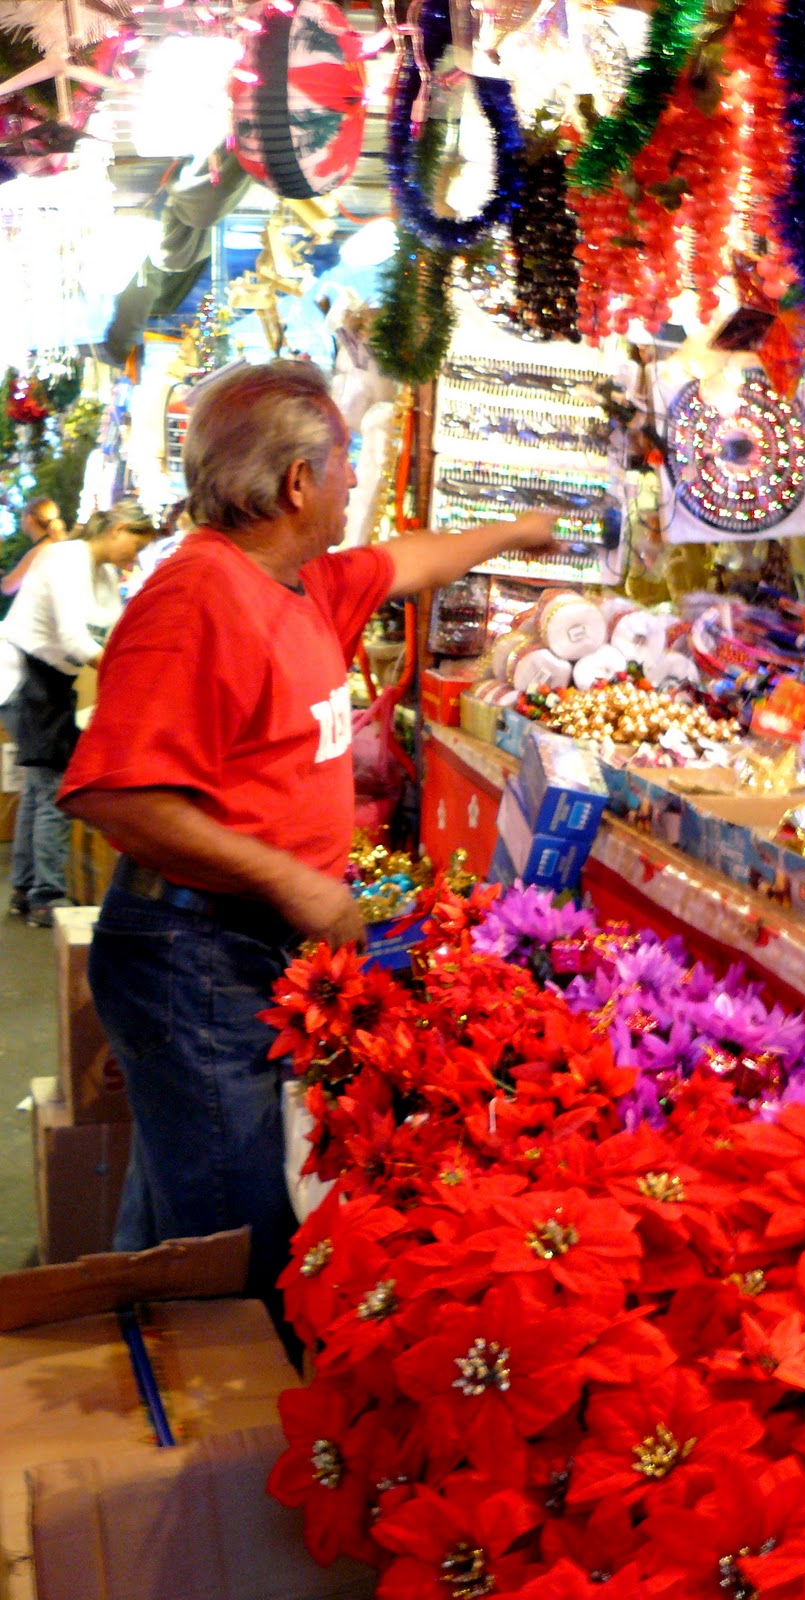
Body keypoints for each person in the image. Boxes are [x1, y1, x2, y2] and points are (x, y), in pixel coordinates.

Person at [58, 360, 558, 1327]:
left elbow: (414, 558)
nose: (350, 485)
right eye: (345, 465)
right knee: (232, 1253)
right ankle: (211, 1451)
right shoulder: (196, 598)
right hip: (195, 957)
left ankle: (138, 1414)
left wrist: (524, 531)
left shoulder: (302, 586)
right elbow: (115, 794)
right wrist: (297, 884)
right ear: (297, 484)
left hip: (239, 951)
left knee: (180, 1216)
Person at [1, 501, 157, 924]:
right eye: (136, 544)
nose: (136, 556)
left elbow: (118, 631)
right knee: (55, 789)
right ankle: (46, 897)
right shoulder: (64, 559)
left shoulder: (104, 573)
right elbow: (75, 640)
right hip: (23, 676)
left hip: (52, 684)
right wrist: (128, 676)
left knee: (39, 789)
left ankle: (25, 889)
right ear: (118, 528)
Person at [0, 497, 66, 618]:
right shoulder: (55, 546)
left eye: (22, 517)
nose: (21, 521)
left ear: (30, 519)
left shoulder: (40, 550)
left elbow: (8, 587)